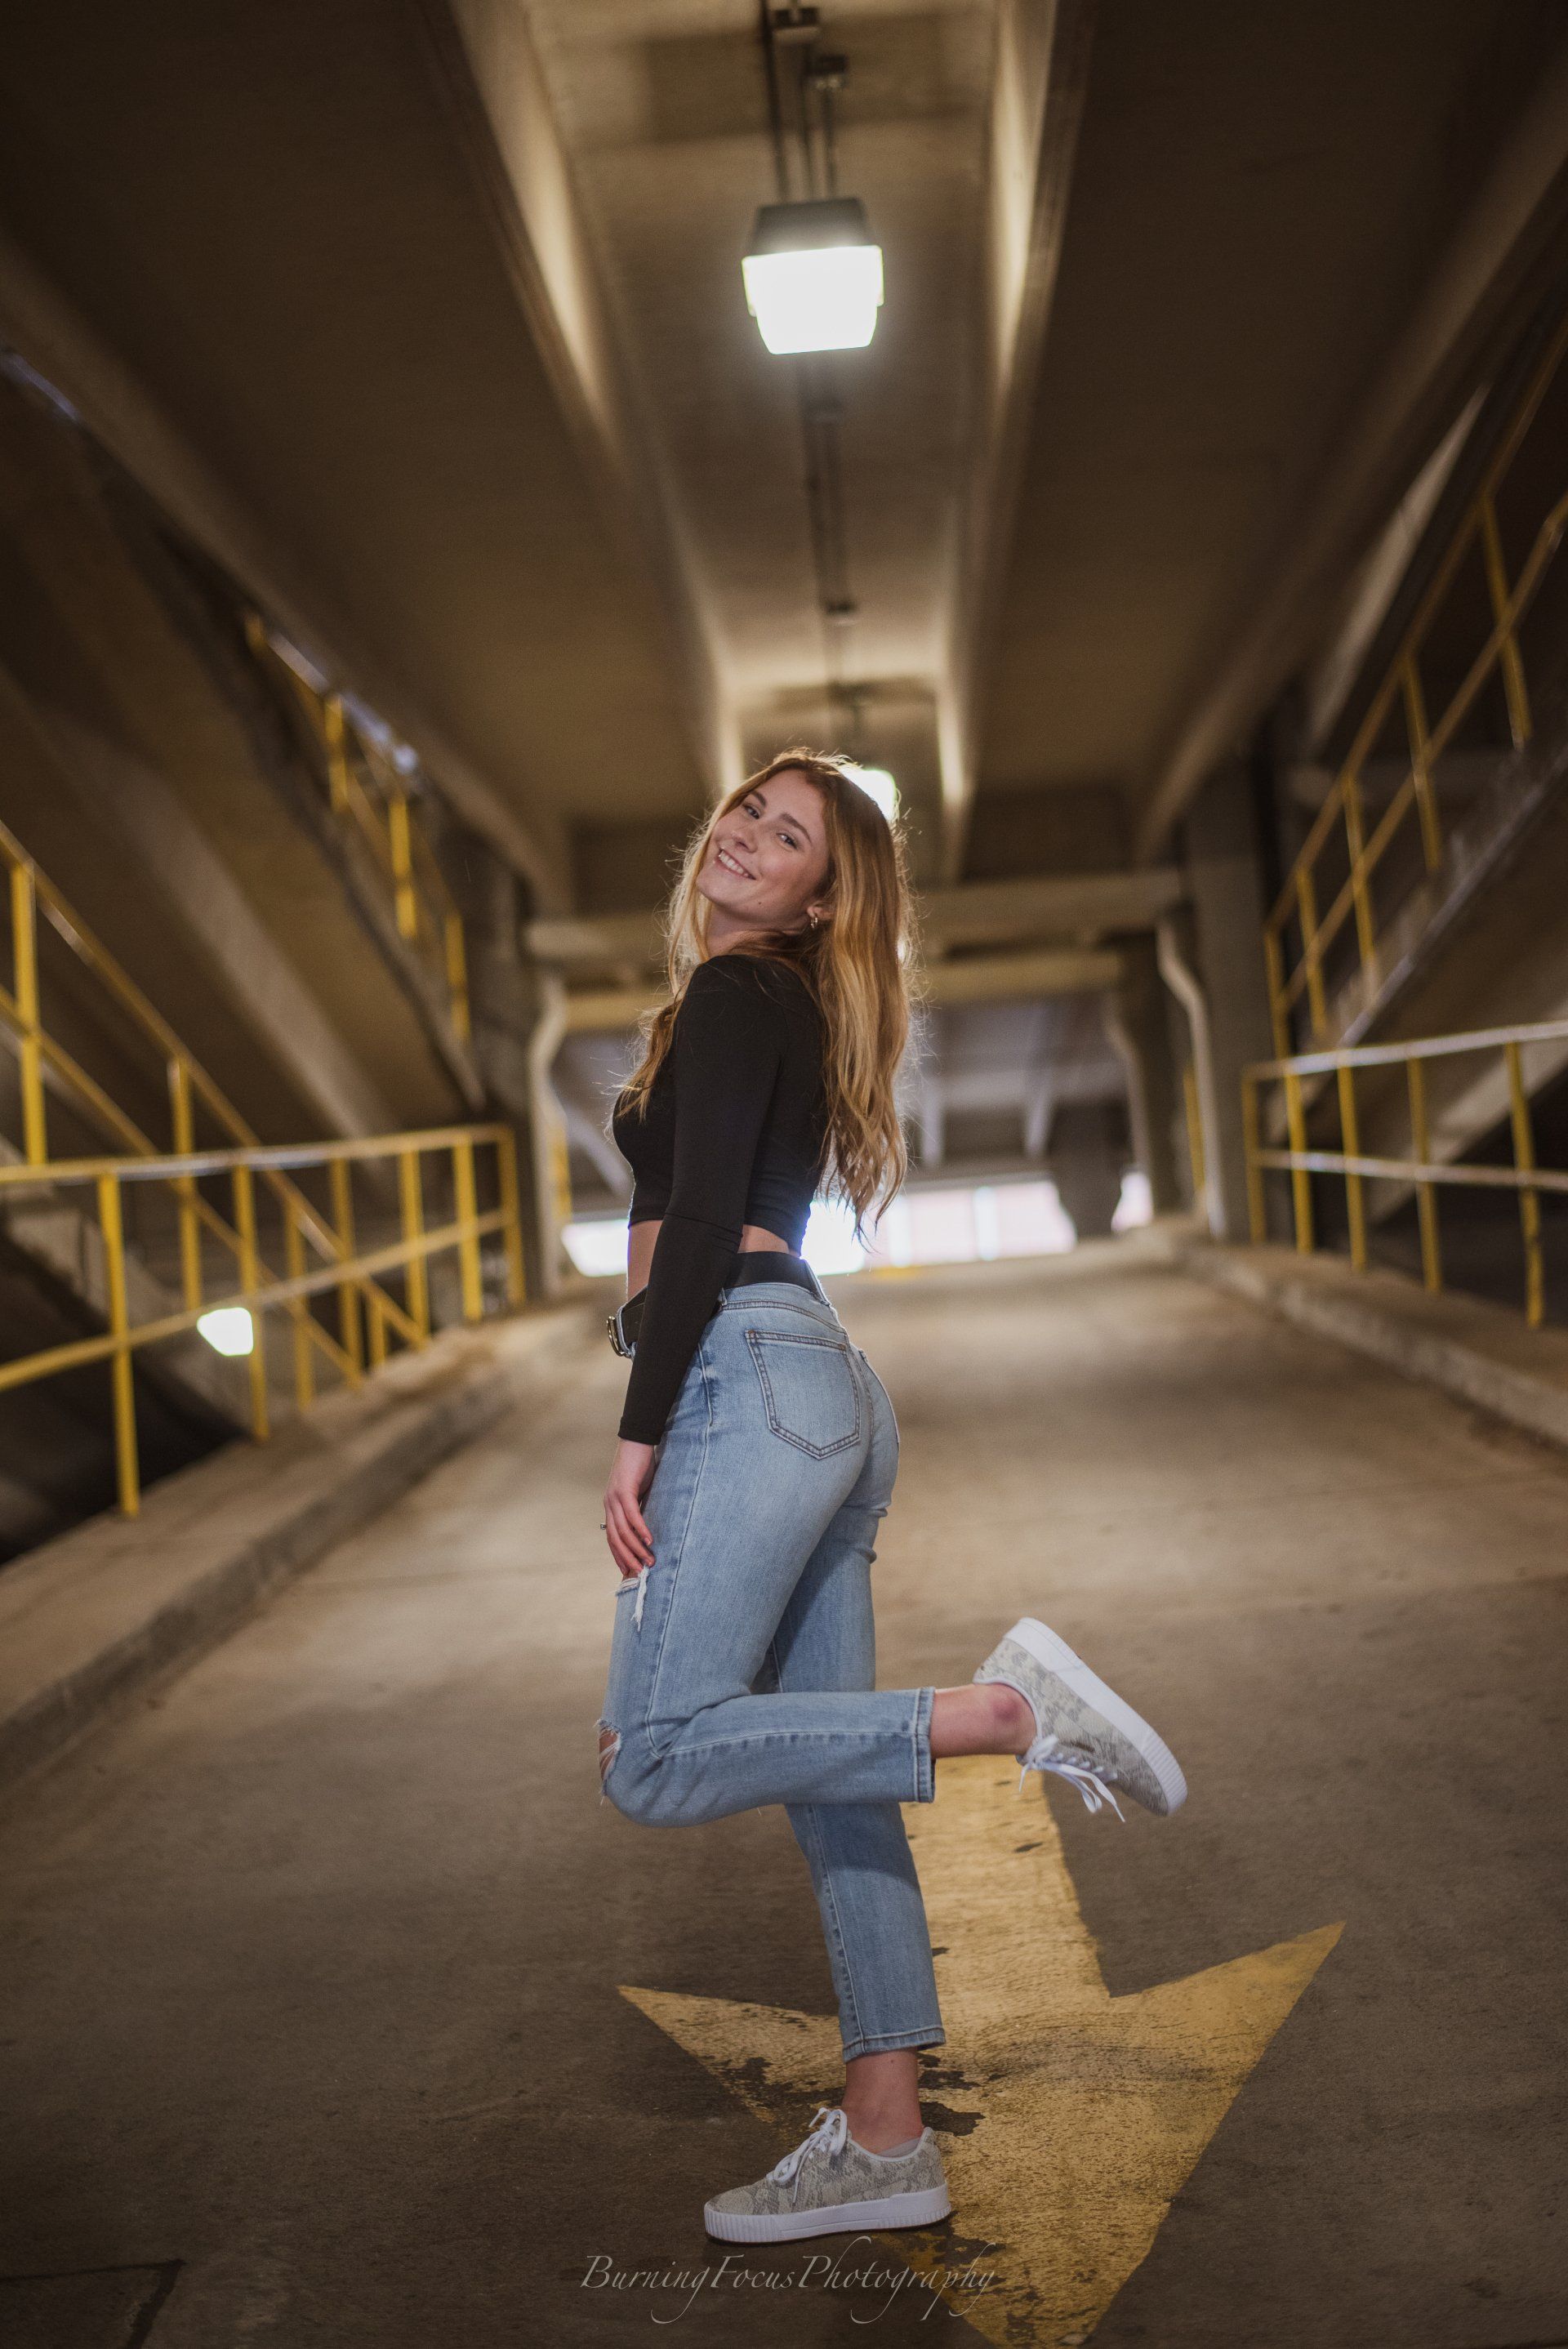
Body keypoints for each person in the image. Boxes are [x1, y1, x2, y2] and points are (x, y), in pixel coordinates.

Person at [596, 750, 1186, 2244]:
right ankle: (886, 2137)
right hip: (822, 1386)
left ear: (817, 898)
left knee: (653, 1755)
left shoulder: (738, 1001)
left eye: (785, 836)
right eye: (744, 808)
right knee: (831, 1787)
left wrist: (635, 1428)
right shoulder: (764, 1002)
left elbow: (697, 1222)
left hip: (747, 1375)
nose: (742, 835)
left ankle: (1000, 1717)